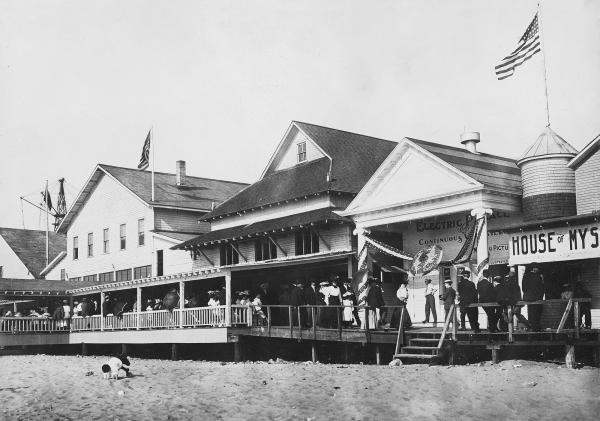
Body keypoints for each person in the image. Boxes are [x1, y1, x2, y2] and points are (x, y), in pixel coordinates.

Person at [522, 264, 544, 331]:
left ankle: (531, 328)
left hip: (528, 298)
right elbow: (542, 288)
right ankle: (536, 329)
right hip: (537, 298)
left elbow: (523, 288)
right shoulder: (538, 276)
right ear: (534, 268)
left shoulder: (525, 276)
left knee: (531, 313)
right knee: (537, 314)